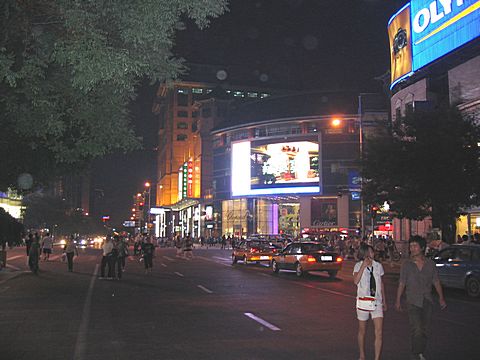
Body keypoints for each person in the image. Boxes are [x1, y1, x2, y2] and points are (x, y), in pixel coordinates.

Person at [395, 235, 447, 360]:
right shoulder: (406, 264)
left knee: (424, 329)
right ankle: (416, 353)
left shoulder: (430, 264)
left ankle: (420, 350)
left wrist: (441, 298)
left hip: (427, 300)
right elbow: (402, 282)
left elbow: (436, 282)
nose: (412, 249)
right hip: (412, 300)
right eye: (411, 246)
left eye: (415, 246)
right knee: (416, 328)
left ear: (422, 248)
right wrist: (398, 300)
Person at [353, 244, 386, 360]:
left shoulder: (378, 266)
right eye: (370, 253)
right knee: (362, 330)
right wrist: (363, 266)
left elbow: (381, 284)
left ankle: (377, 358)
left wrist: (384, 301)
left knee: (379, 331)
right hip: (363, 301)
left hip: (377, 301)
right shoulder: (358, 266)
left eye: (372, 252)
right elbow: (356, 281)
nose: (372, 254)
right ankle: (362, 354)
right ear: (364, 254)